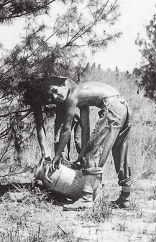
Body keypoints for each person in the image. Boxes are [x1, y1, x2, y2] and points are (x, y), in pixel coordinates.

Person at [41, 76, 132, 210]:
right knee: (120, 150)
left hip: (112, 108)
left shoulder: (72, 95)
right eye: (52, 96)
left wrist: (58, 155)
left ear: (63, 85)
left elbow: (66, 129)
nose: (55, 96)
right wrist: (83, 151)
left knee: (93, 152)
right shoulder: (81, 95)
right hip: (123, 106)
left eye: (55, 90)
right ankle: (125, 197)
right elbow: (85, 126)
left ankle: (86, 199)